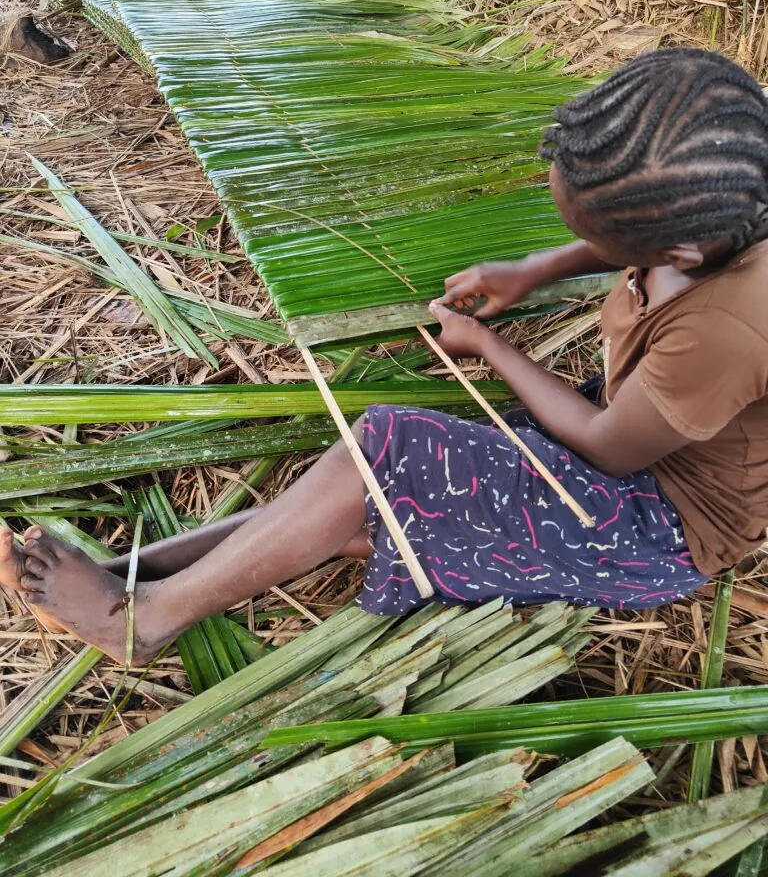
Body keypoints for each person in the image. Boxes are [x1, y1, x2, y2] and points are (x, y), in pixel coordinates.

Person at [2, 47, 768, 665]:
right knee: (352, 498)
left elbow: (610, 448)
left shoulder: (731, 324)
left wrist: (488, 348)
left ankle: (147, 620)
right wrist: (537, 267)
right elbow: (629, 238)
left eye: (600, 242)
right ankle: (140, 573)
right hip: (615, 439)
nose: (594, 251)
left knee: (382, 452)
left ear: (681, 247)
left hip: (648, 526)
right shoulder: (724, 196)